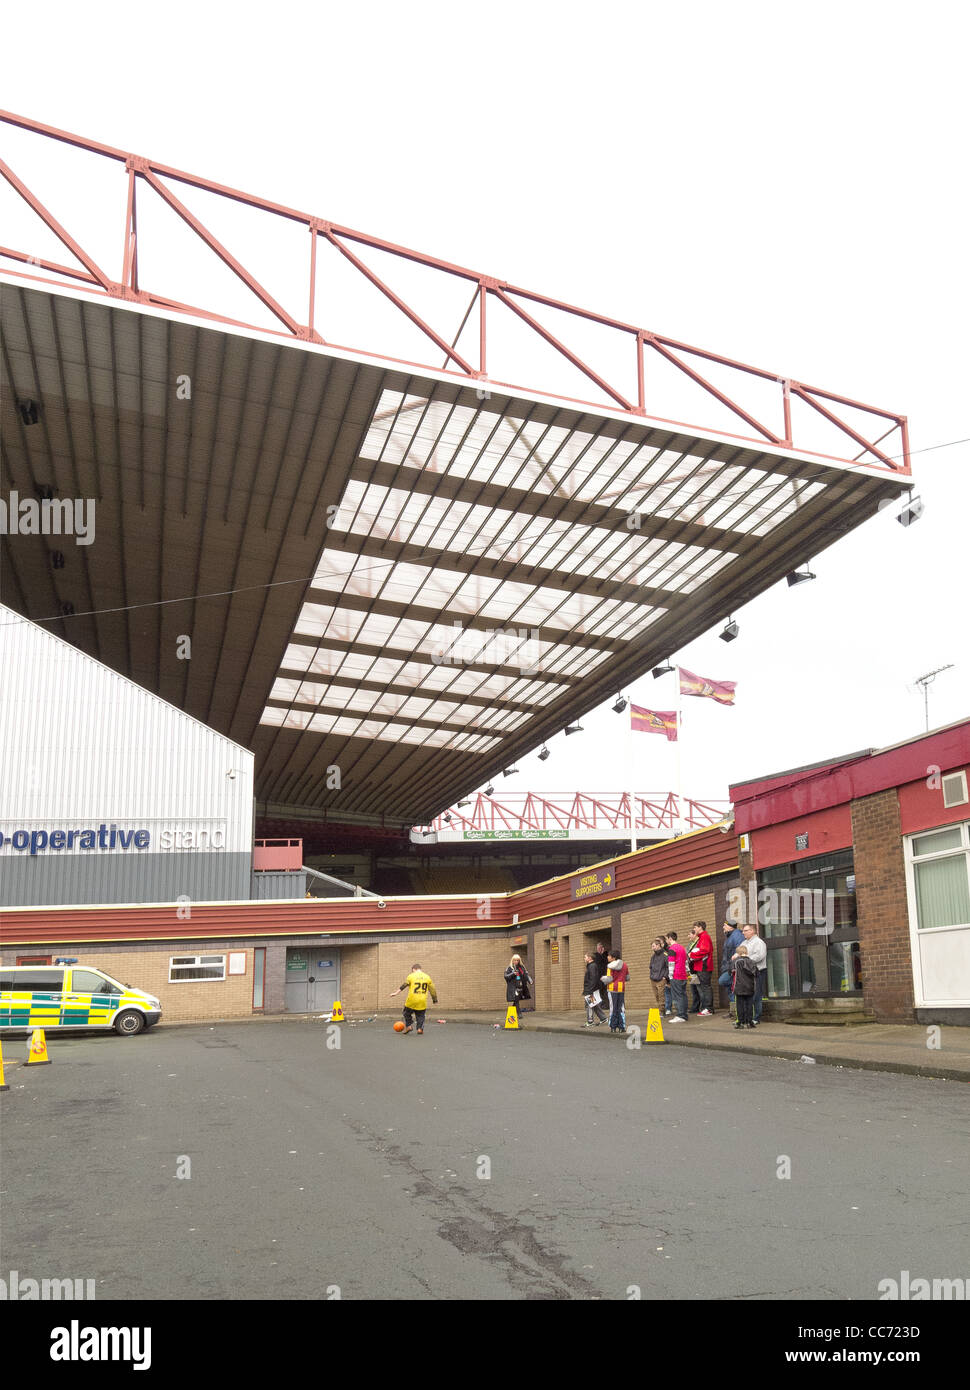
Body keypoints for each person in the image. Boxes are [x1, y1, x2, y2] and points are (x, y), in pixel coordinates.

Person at [389, 963, 438, 1034]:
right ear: (420, 969)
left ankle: (408, 1026)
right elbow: (432, 989)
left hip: (412, 1000)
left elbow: (404, 985)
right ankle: (420, 1029)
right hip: (422, 1000)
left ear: (413, 969)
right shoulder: (427, 977)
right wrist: (434, 999)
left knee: (406, 1013)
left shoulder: (411, 976)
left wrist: (396, 993)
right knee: (421, 1015)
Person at [734, 923, 767, 1024]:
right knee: (748, 995)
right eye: (743, 931)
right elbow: (738, 952)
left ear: (752, 931)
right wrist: (735, 956)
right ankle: (745, 1018)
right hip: (745, 973)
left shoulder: (759, 942)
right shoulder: (744, 942)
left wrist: (745, 960)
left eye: (745, 930)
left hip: (757, 972)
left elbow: (760, 956)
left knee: (756, 995)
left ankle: (756, 1018)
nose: (743, 932)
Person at [719, 919, 745, 1020]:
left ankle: (736, 1009)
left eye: (724, 925)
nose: (723, 927)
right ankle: (733, 1010)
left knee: (723, 981)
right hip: (727, 967)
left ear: (730, 926)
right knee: (729, 988)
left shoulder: (737, 935)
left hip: (732, 967)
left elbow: (739, 951)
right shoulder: (729, 936)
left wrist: (733, 966)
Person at [689, 920, 715, 1016]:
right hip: (701, 966)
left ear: (700, 927)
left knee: (706, 988)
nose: (694, 929)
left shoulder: (704, 937)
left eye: (695, 927)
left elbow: (704, 950)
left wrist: (692, 954)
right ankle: (706, 1008)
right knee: (704, 988)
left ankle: (708, 1008)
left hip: (704, 966)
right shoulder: (702, 937)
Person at [603, 950, 629, 1033]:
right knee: (621, 1008)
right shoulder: (625, 965)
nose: (607, 957)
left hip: (612, 989)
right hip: (621, 988)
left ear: (613, 957)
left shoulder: (610, 966)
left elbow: (609, 979)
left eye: (609, 956)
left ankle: (613, 1027)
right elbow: (627, 978)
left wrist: (603, 979)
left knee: (613, 1007)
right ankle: (622, 1027)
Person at [732, 945, 757, 1029]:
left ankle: (740, 1022)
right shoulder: (753, 962)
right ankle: (750, 1022)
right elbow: (756, 973)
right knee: (750, 1005)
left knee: (739, 1005)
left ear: (738, 953)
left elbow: (731, 971)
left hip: (739, 987)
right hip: (750, 986)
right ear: (746, 952)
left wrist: (733, 960)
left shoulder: (736, 961)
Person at [666, 933, 689, 1022]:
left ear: (670, 938)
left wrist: (670, 976)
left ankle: (681, 1015)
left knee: (677, 996)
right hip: (683, 975)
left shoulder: (672, 949)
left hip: (676, 975)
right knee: (683, 995)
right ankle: (684, 1014)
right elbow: (686, 962)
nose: (666, 941)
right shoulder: (682, 948)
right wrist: (687, 972)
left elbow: (671, 963)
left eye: (667, 939)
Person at [504, 954, 532, 1024]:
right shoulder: (509, 968)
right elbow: (506, 976)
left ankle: (510, 1012)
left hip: (520, 986)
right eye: (515, 960)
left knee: (516, 1000)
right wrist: (513, 973)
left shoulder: (521, 967)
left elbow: (526, 974)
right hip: (513, 987)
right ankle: (519, 1013)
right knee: (516, 999)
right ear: (512, 960)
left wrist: (530, 980)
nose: (516, 961)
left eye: (517, 960)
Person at [582, 952, 609, 1026]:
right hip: (592, 988)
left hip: (591, 989)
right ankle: (603, 1018)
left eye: (585, 957)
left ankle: (590, 1021)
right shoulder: (591, 966)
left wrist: (590, 990)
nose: (584, 958)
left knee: (589, 1004)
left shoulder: (592, 966)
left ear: (590, 958)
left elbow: (593, 979)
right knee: (594, 1004)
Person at [648, 938, 669, 1016]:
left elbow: (668, 966)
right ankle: (660, 1009)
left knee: (661, 995)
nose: (652, 948)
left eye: (653, 946)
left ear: (658, 945)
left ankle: (662, 1011)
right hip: (653, 979)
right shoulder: (653, 956)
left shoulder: (665, 954)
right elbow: (650, 967)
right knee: (656, 995)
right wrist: (651, 976)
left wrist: (665, 976)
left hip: (661, 979)